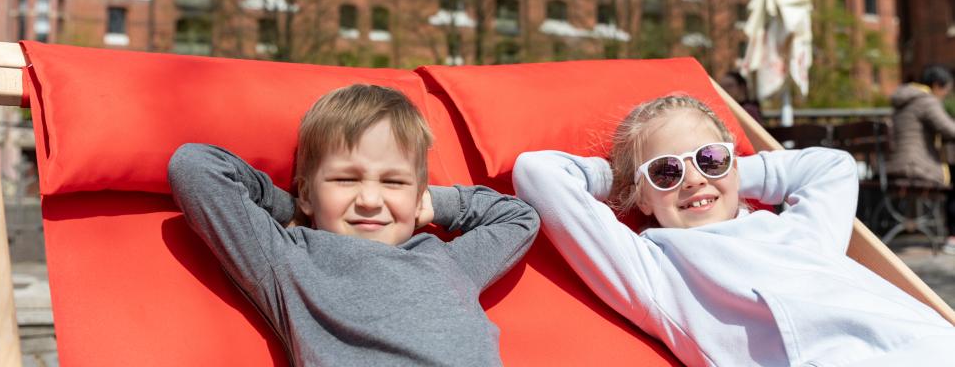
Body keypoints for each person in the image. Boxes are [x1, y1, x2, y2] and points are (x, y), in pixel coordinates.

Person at [513, 94, 955, 366]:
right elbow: (538, 173)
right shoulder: (654, 270)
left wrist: (735, 172)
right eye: (665, 172)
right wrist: (626, 178)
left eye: (709, 159)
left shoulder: (802, 234)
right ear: (642, 197)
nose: (692, 180)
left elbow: (831, 166)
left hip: (931, 343)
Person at [169, 84, 539, 366]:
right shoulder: (286, 257)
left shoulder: (449, 261)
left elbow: (520, 217)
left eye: (393, 182)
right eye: (346, 180)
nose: (369, 200)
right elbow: (196, 168)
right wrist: (300, 208)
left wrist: (429, 204)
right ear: (308, 193)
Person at [886, 65, 955, 254]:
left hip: (894, 166)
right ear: (936, 85)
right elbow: (948, 129)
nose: (945, 96)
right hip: (914, 167)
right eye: (946, 91)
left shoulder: (904, 99)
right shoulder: (926, 101)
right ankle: (952, 237)